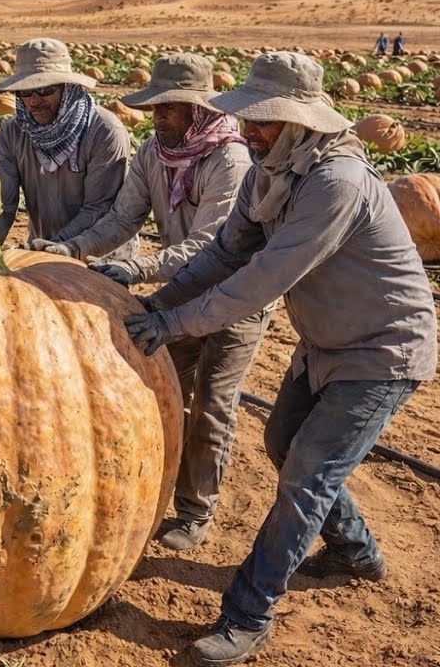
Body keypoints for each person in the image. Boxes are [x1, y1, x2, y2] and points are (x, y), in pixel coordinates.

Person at [123, 52, 437, 665]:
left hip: (383, 352)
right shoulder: (268, 173)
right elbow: (224, 255)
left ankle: (247, 614)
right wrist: (157, 303)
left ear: (302, 123)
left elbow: (263, 279)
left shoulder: (336, 183)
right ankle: (354, 550)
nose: (251, 130)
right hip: (325, 343)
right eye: (251, 118)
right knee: (282, 443)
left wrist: (175, 324)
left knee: (306, 477)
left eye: (266, 121)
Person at [27, 53, 269, 550]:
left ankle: (195, 512)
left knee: (212, 405)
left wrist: (138, 269)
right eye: (155, 106)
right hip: (180, 294)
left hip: (234, 296)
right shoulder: (151, 155)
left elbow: (212, 243)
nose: (157, 116)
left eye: (170, 107)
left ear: (198, 110)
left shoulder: (230, 159)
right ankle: (152, 491)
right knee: (160, 395)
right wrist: (71, 248)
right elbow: (121, 220)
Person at [0, 37, 136, 259]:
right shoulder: (12, 134)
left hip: (100, 255)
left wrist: (55, 247)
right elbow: (1, 206)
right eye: (25, 92)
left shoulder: (104, 131)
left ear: (68, 88)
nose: (33, 101)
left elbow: (98, 209)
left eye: (45, 89)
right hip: (44, 249)